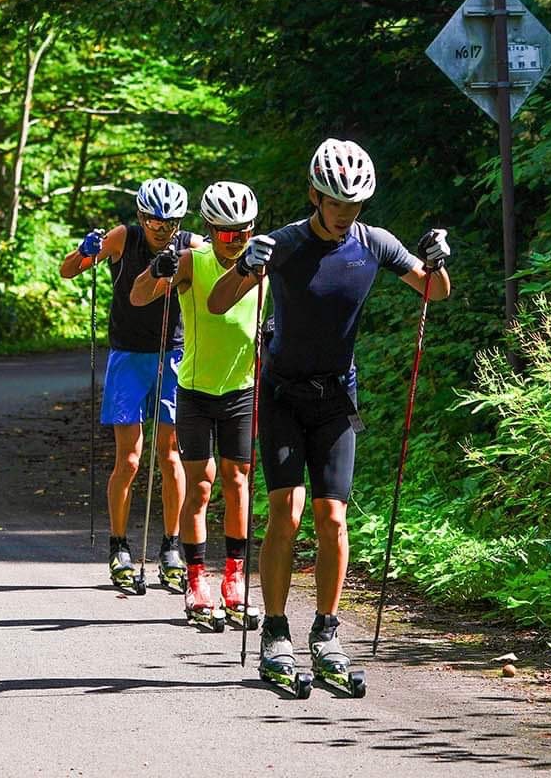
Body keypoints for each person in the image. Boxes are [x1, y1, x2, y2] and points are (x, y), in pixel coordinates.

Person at [208, 138, 451, 689]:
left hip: (337, 397)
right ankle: (275, 630)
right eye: (337, 204)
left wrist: (436, 260)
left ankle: (326, 630)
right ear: (315, 196)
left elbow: (434, 293)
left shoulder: (376, 243)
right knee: (285, 513)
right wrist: (245, 265)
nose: (345, 215)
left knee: (333, 518)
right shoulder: (284, 244)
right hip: (281, 394)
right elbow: (219, 303)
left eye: (355, 205)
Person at [130, 181, 263, 630]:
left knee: (238, 480)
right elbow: (138, 296)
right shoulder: (192, 259)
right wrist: (156, 270)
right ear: (210, 229)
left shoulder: (262, 263)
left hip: (242, 389)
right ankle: (194, 579)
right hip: (194, 390)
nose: (234, 240)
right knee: (201, 485)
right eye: (225, 232)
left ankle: (235, 578)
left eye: (242, 231)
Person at [60, 178, 200, 590]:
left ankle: (171, 546)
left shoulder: (191, 246)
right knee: (131, 459)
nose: (162, 229)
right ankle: (119, 546)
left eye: (170, 222)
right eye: (155, 221)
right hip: (128, 356)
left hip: (175, 355)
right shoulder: (125, 238)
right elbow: (70, 272)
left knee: (170, 455)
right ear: (141, 217)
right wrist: (84, 252)